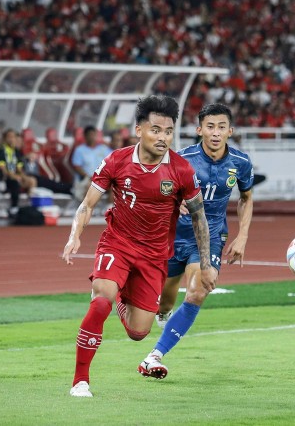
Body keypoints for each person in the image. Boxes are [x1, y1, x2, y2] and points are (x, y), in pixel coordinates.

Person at [62, 95, 217, 398]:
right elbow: (87, 204)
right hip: (117, 243)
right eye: (156, 130)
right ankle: (80, 381)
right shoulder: (117, 160)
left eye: (169, 131)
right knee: (100, 300)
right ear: (139, 131)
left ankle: (120, 293)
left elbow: (200, 218)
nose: (163, 138)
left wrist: (207, 264)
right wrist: (74, 235)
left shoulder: (181, 170)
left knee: (138, 333)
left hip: (154, 255)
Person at [138, 103, 254, 378]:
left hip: (210, 236)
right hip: (174, 235)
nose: (216, 133)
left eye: (222, 127)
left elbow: (246, 198)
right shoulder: (181, 159)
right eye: (210, 127)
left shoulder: (241, 162)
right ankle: (164, 314)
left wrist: (242, 237)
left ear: (230, 131)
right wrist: (172, 201)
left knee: (198, 291)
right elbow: (159, 187)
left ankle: (154, 356)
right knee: (163, 303)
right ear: (199, 129)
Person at [0, 129, 37, 216]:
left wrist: (25, 177)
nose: (11, 139)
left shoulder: (16, 151)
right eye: (9, 137)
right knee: (14, 181)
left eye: (13, 137)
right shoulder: (1, 150)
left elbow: (19, 169)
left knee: (32, 181)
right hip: (4, 178)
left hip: (15, 176)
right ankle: (14, 207)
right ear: (4, 139)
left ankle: (29, 206)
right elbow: (2, 168)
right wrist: (14, 176)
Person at [71, 125, 112, 200]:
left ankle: (109, 208)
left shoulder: (103, 148)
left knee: (115, 186)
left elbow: (113, 161)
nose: (92, 137)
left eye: (93, 134)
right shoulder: (80, 150)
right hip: (86, 179)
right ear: (85, 136)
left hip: (102, 178)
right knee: (91, 186)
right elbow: (77, 167)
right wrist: (90, 177)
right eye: (89, 135)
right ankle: (86, 210)